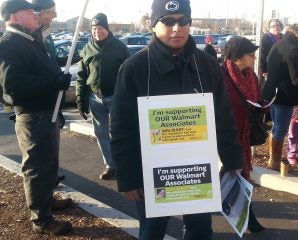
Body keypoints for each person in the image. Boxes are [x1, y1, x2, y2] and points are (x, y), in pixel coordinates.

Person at [110, 0, 244, 239]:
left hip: (197, 171)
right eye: (168, 21)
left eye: (183, 21)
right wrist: (128, 178)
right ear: (153, 25)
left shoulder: (208, 65)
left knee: (201, 230)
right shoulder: (135, 68)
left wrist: (233, 160)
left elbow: (223, 118)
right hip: (153, 174)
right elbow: (122, 128)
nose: (176, 28)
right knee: (152, 232)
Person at [0, 0, 72, 235]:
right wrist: (53, 82)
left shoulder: (29, 39)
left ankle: (46, 201)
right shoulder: (10, 44)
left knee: (48, 164)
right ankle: (41, 219)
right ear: (13, 17)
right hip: (34, 116)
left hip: (46, 114)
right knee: (37, 167)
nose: (34, 14)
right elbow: (14, 86)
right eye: (28, 12)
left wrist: (56, 75)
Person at [76, 13, 130, 180]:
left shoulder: (119, 47)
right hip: (95, 98)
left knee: (118, 132)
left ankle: (124, 165)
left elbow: (129, 73)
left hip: (115, 96)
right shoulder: (87, 49)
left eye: (100, 28)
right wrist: (80, 99)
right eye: (94, 29)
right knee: (101, 133)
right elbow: (81, 76)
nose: (97, 31)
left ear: (106, 29)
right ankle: (110, 165)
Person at [221, 37, 265, 233]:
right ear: (238, 57)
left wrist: (262, 105)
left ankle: (246, 217)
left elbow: (253, 99)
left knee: (240, 174)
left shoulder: (251, 76)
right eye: (250, 54)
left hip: (245, 134)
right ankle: (242, 216)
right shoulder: (220, 75)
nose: (254, 57)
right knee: (233, 174)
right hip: (226, 135)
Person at [262, 23, 298, 171]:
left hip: (272, 92)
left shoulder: (279, 44)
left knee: (276, 128)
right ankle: (275, 163)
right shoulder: (294, 50)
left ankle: (273, 158)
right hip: (284, 95)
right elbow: (297, 78)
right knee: (281, 129)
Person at [32, 0, 69, 188]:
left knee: (51, 150)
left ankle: (50, 184)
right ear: (39, 13)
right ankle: (44, 200)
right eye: (51, 12)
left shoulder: (46, 34)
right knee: (41, 155)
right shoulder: (31, 37)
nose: (55, 16)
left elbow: (51, 62)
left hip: (53, 101)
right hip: (40, 105)